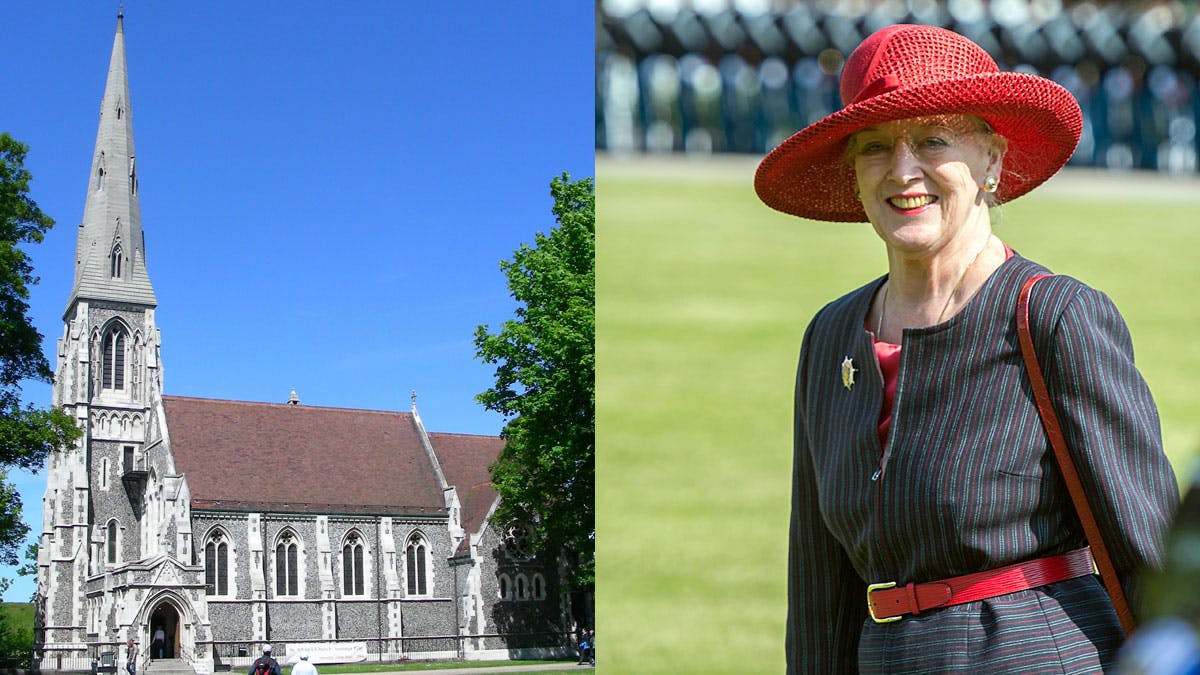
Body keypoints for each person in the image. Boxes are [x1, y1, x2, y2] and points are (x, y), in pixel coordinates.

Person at [753, 23, 1179, 673]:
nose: (903, 170)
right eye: (874, 147)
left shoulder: (1054, 315)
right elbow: (818, 586)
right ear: (854, 174)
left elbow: (1152, 554)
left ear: (992, 159)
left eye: (932, 139)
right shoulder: (830, 336)